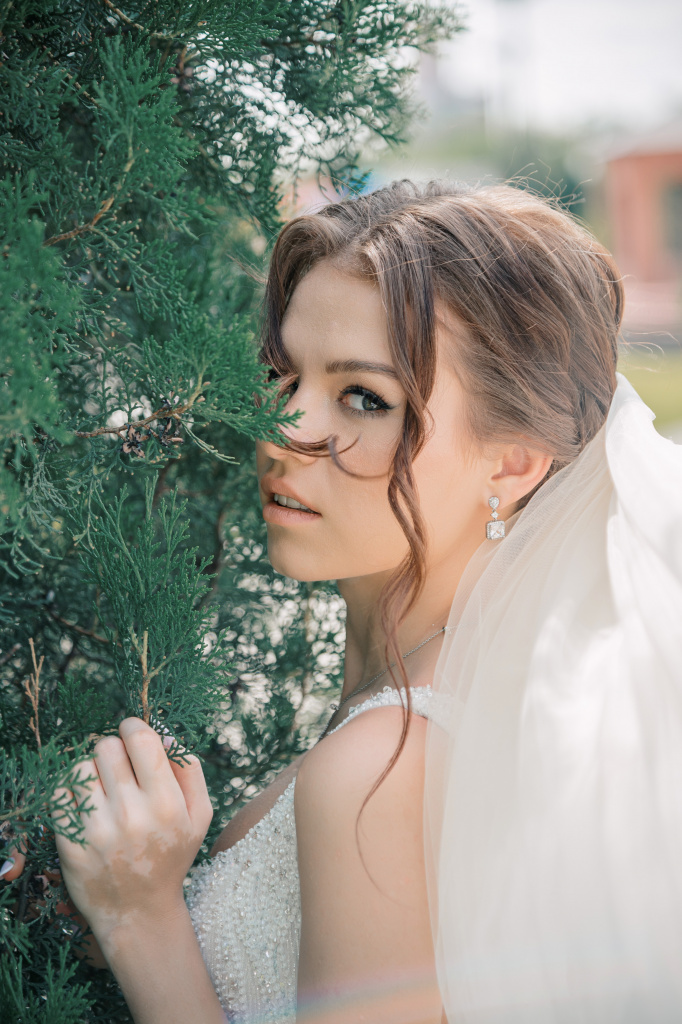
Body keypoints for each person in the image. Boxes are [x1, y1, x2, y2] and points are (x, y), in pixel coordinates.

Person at [4, 180, 681, 1024]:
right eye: (283, 374)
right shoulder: (454, 704)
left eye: (364, 397)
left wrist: (140, 918)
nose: (285, 428)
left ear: (511, 462)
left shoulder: (382, 770)